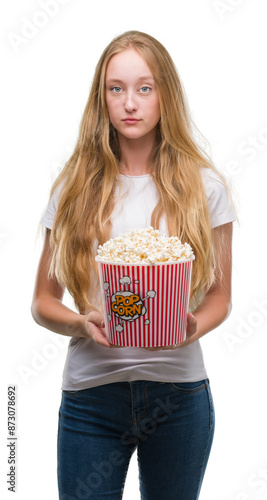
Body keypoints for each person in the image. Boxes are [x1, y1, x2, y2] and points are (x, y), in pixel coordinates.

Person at [31, 30, 236, 500]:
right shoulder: (73, 189)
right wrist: (82, 325)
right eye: (116, 88)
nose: (130, 103)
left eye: (145, 88)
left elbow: (220, 297)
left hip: (180, 395)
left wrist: (191, 326)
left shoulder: (205, 189)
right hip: (91, 397)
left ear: (166, 95)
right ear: (100, 98)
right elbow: (43, 302)